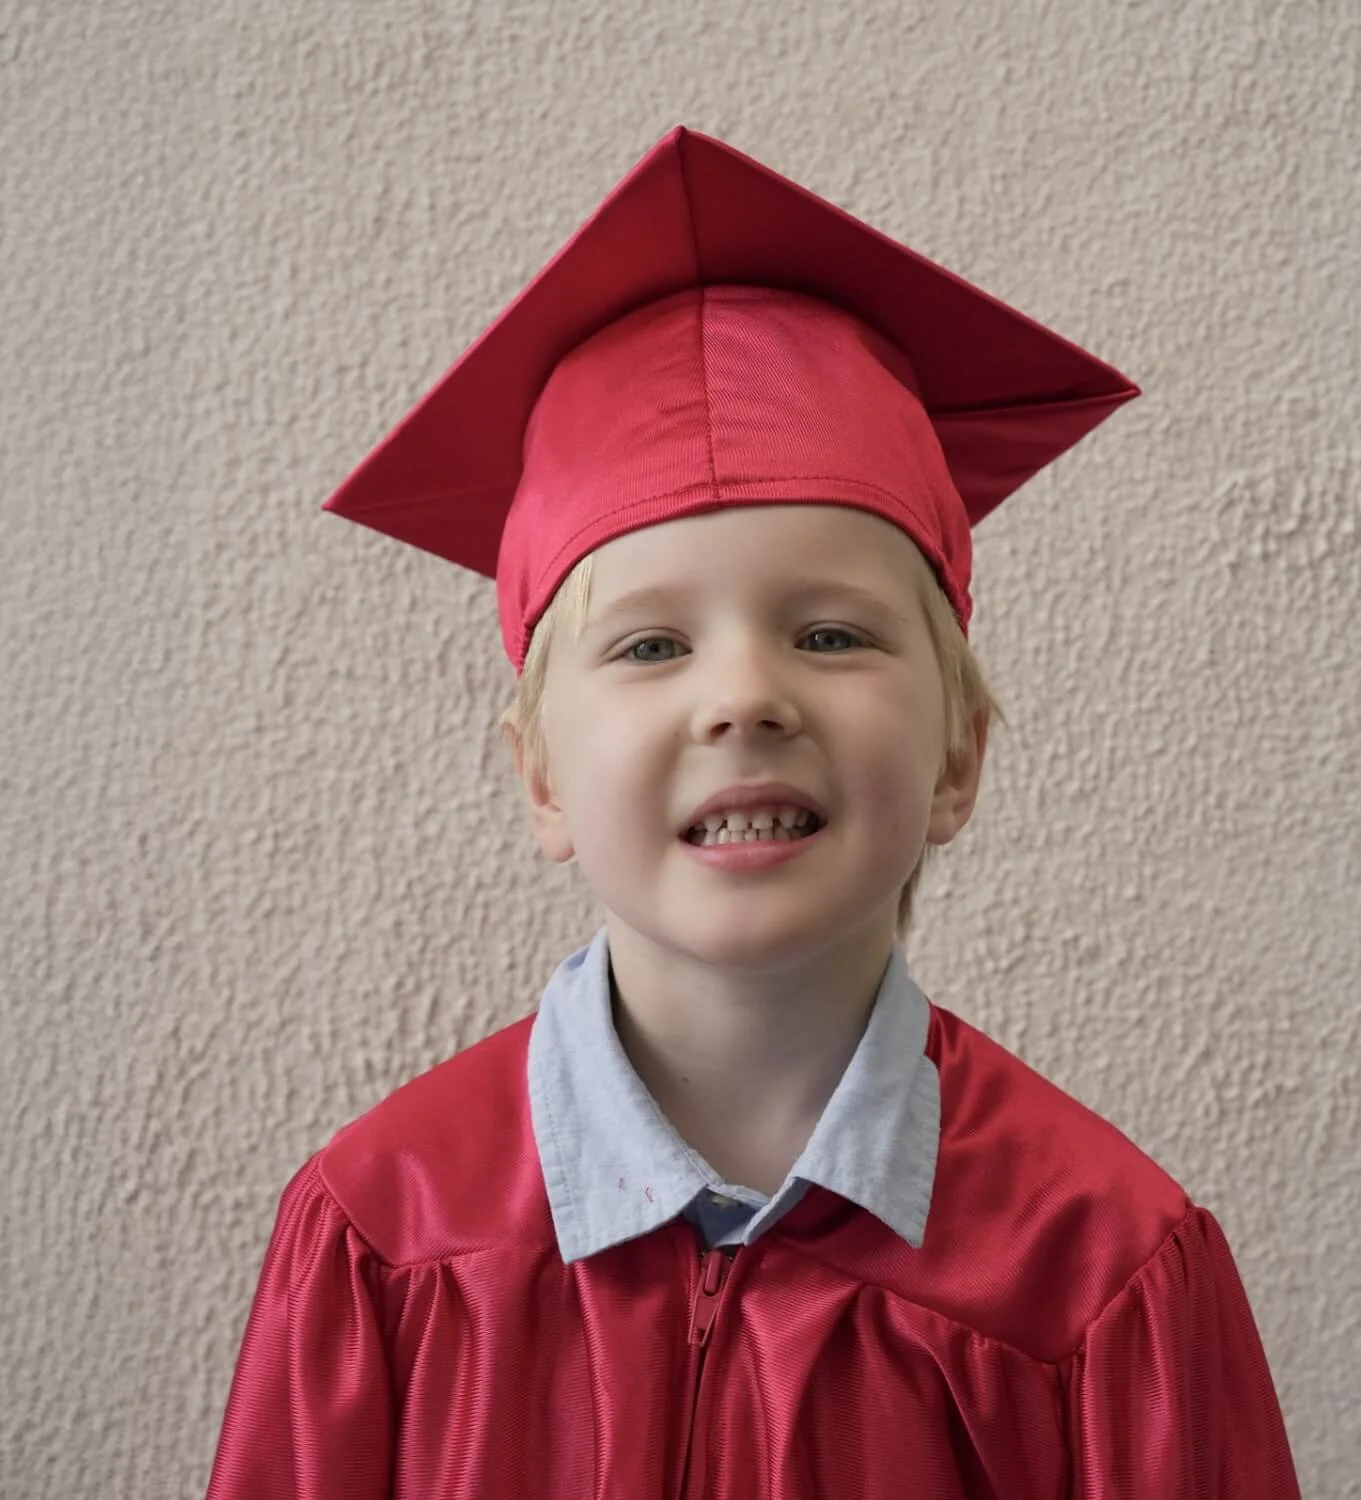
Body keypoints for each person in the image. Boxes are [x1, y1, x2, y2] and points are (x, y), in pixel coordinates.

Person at [206, 127, 1300, 1498]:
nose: (745, 697)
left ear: (959, 756)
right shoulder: (380, 1239)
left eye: (833, 638)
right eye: (652, 647)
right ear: (542, 779)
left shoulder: (1100, 1275)